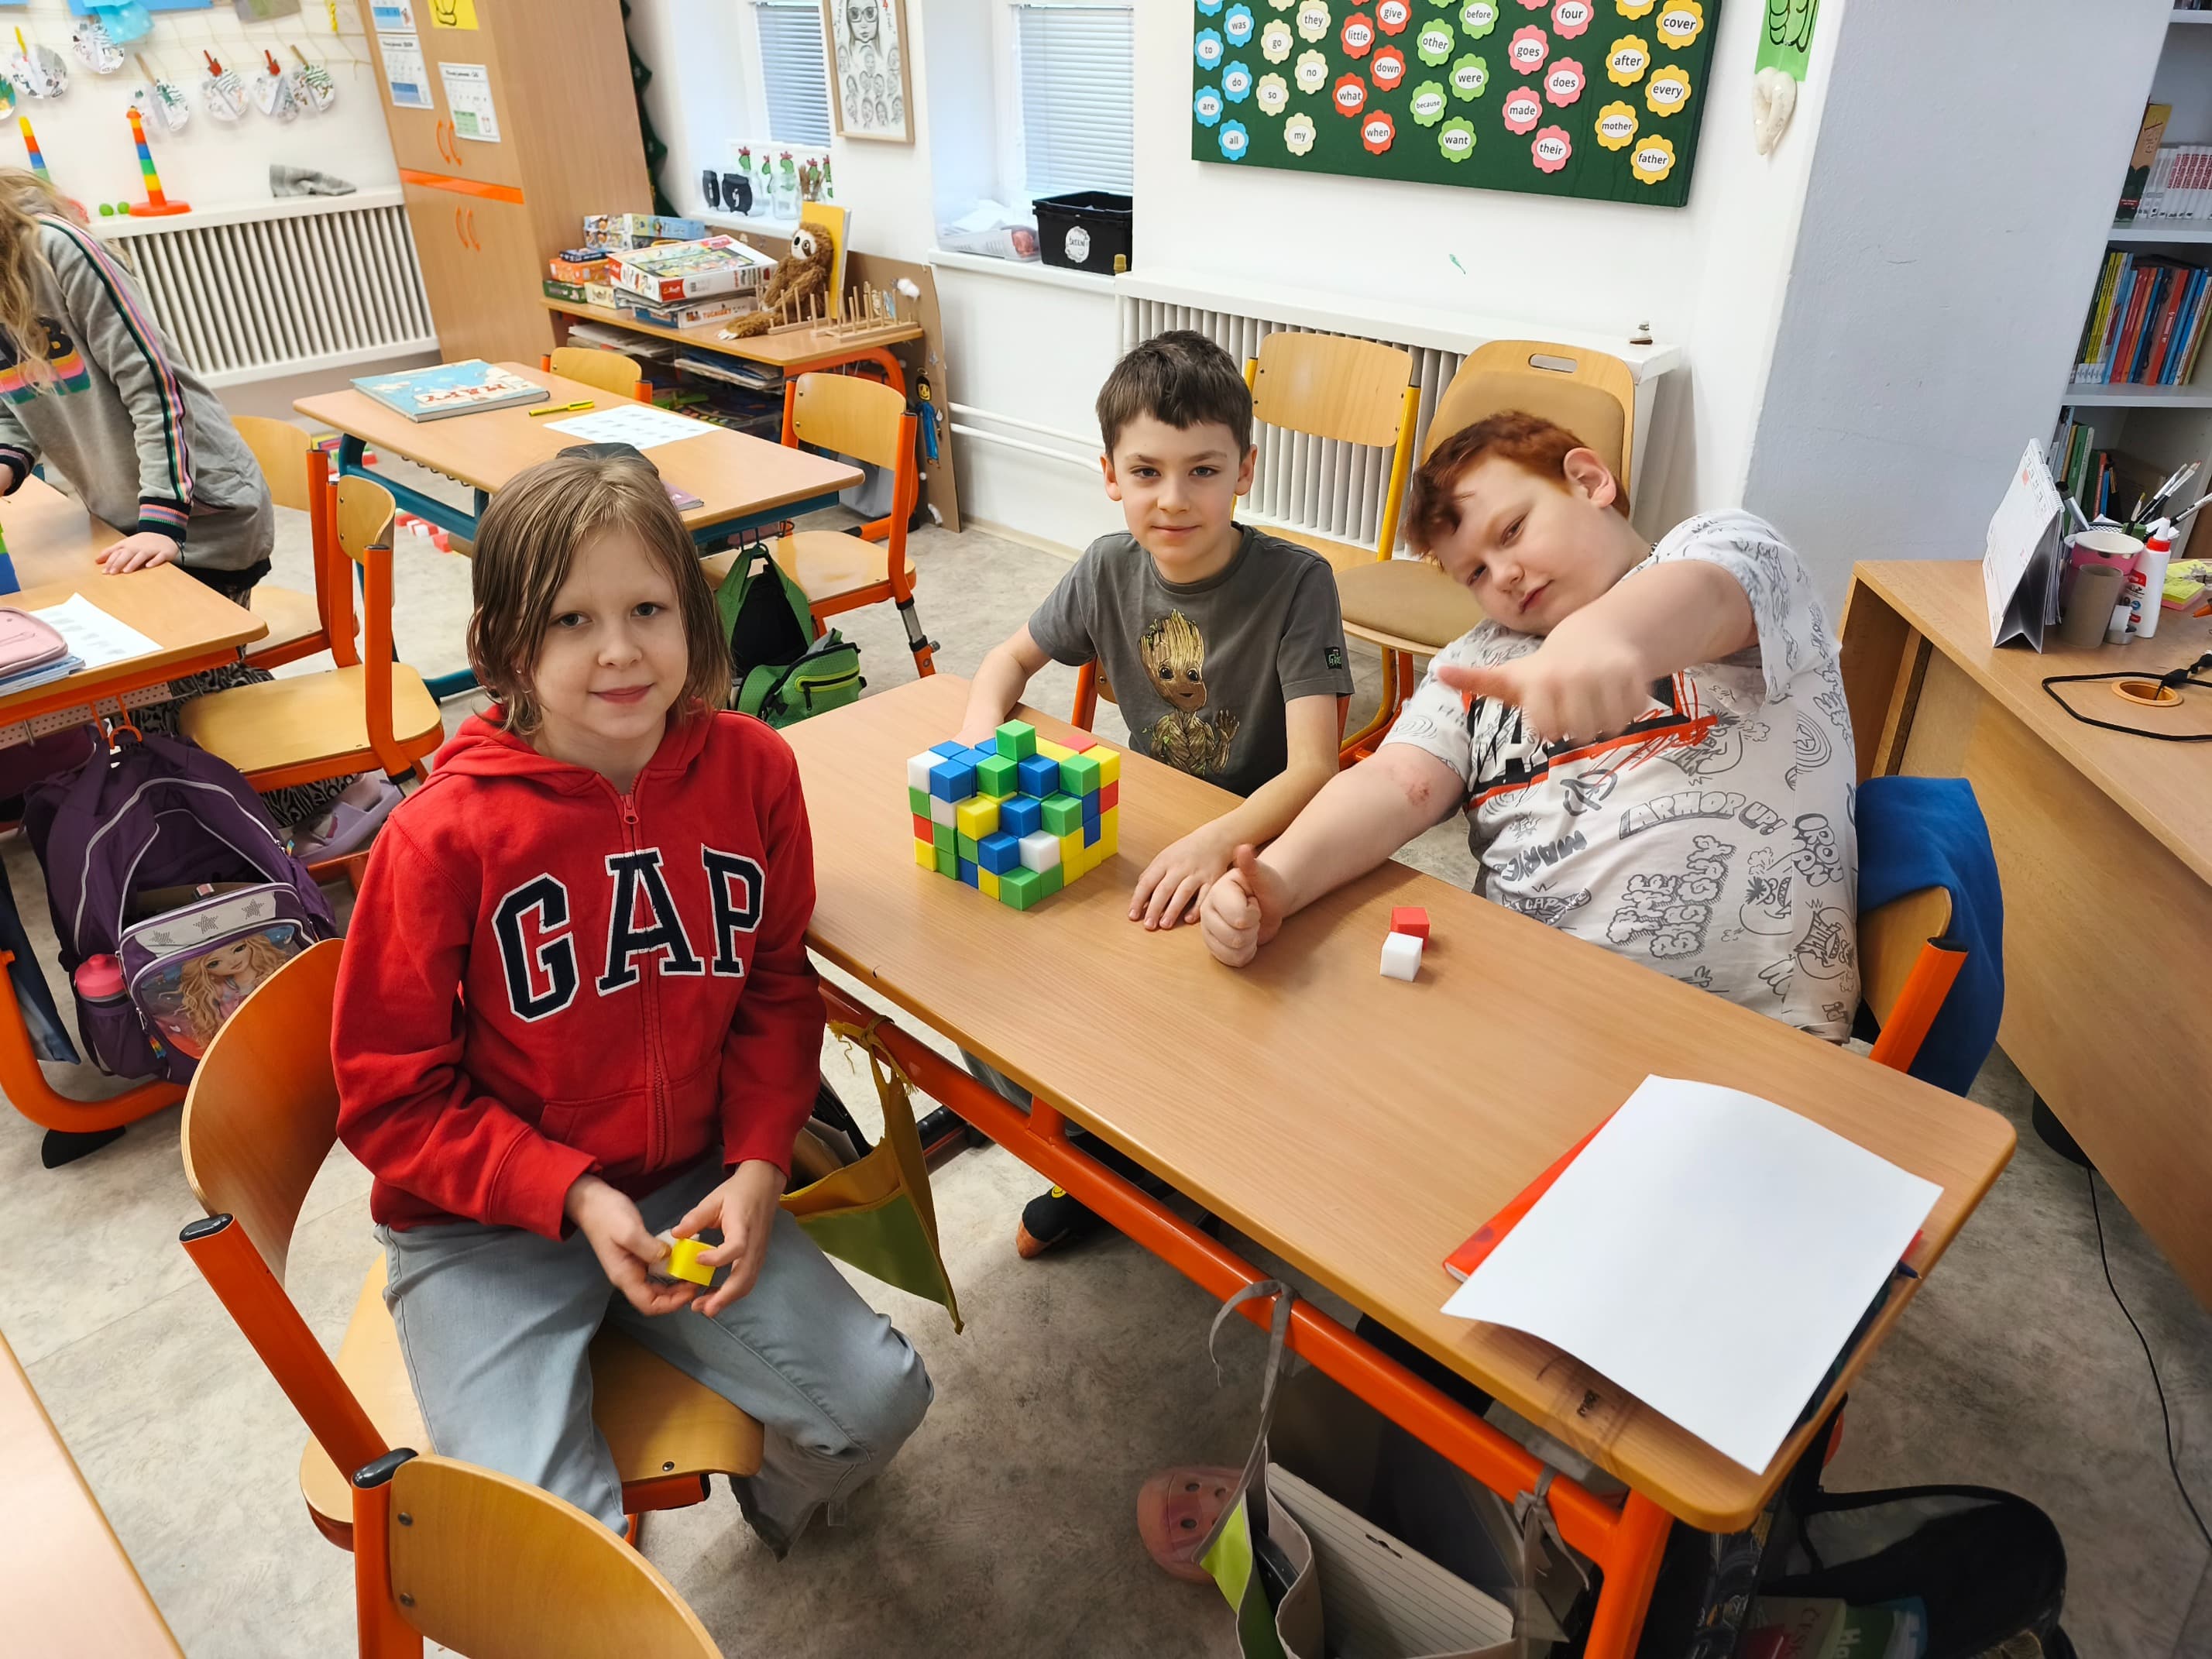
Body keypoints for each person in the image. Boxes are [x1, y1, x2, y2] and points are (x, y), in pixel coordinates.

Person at [332, 451, 931, 1547]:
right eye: (571, 620)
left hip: (686, 1186)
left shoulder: (754, 772)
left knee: (882, 1402)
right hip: (482, 1232)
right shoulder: (438, 837)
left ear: (693, 618)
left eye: (648, 608)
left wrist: (760, 1161)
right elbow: (387, 1099)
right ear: (503, 645)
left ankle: (769, 1494)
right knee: (553, 1553)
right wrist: (569, 1193)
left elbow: (776, 987)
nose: (618, 650)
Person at [1200, 410, 1861, 1041]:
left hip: (1757, 1035)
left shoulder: (1722, 547)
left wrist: (1603, 635)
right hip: (1523, 1013)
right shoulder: (1473, 661)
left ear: (1589, 480)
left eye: (1513, 530)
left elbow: (1711, 597)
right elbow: (1396, 781)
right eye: (1476, 573)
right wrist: (1281, 879)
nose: (1506, 575)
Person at [957, 328, 1355, 1255]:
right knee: (995, 974)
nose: (1173, 500)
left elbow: (1315, 769)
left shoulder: (1298, 585)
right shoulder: (1107, 566)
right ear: (1110, 475)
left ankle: (1163, 1169)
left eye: (1202, 471)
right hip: (1145, 828)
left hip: (1265, 847)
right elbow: (1006, 660)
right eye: (1146, 472)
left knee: (1225, 1012)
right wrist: (977, 735)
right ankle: (1096, 1163)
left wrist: (1219, 842)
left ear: (1245, 470)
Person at [0, 169, 358, 832]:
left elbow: (153, 385)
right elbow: (14, 407)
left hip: (201, 513)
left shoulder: (56, 251)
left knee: (178, 686)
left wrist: (165, 520)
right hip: (125, 518)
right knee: (146, 703)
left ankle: (341, 795)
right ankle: (237, 813)